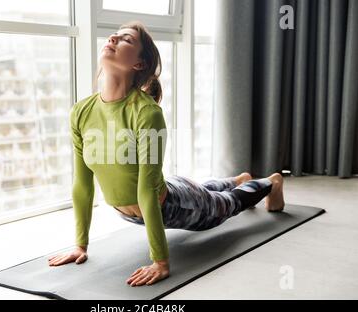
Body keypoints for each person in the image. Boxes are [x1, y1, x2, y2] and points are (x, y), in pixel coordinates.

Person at [48, 21, 285, 287]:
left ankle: (271, 183)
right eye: (115, 34)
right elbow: (82, 184)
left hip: (172, 204)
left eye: (126, 39)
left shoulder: (146, 113)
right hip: (153, 197)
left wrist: (160, 261)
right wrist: (80, 245)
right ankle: (237, 178)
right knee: (206, 191)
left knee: (227, 205)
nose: (113, 37)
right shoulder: (81, 111)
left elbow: (147, 190)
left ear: (139, 63)